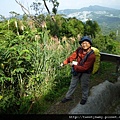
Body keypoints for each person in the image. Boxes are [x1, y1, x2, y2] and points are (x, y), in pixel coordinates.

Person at [60, 36, 95, 105]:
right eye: (83, 43)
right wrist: (63, 63)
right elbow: (71, 57)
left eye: (86, 43)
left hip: (85, 72)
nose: (84, 45)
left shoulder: (92, 55)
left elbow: (85, 68)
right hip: (77, 69)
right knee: (72, 84)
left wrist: (74, 66)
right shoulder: (79, 50)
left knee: (84, 85)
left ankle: (84, 98)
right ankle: (68, 97)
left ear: (90, 44)